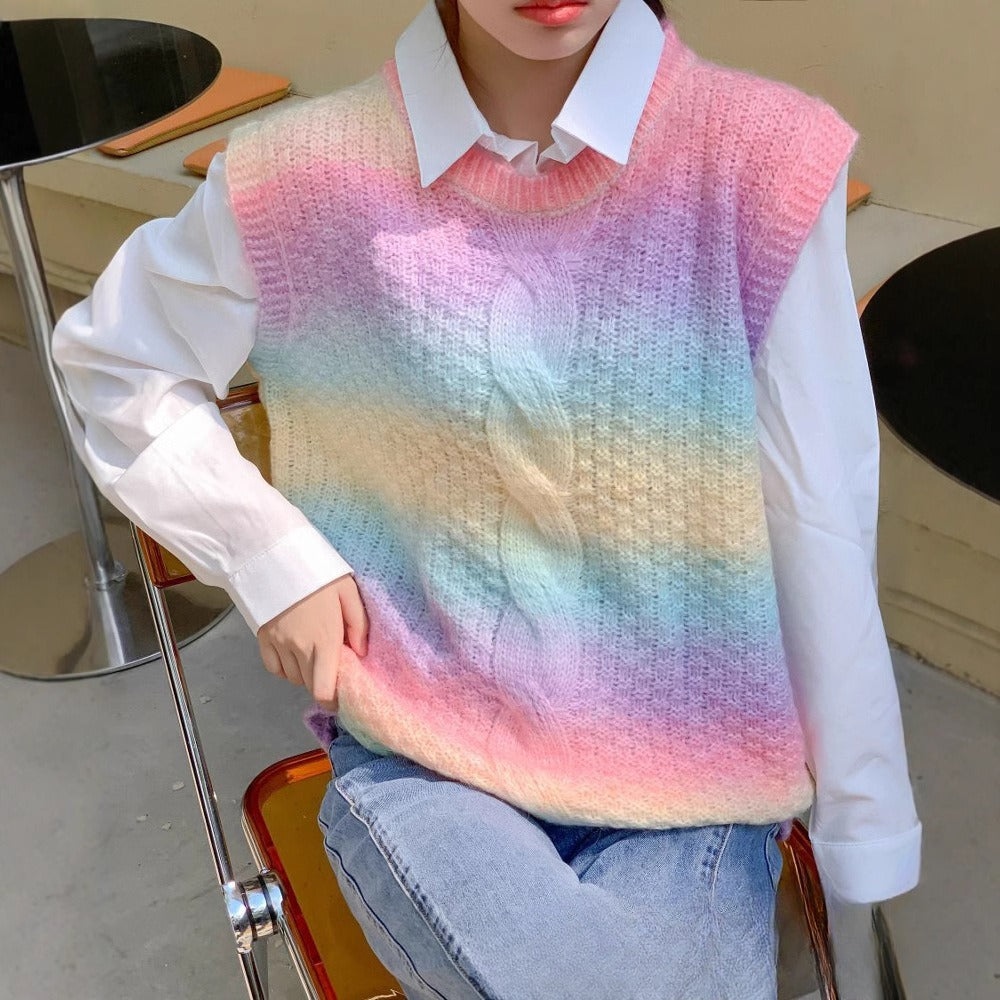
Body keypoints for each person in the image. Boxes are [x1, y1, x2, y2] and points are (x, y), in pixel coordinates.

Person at [51, 0, 923, 996]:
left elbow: (818, 511)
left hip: (695, 788)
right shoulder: (300, 175)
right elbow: (115, 363)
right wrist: (268, 556)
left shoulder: (755, 161)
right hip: (424, 760)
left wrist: (861, 827)